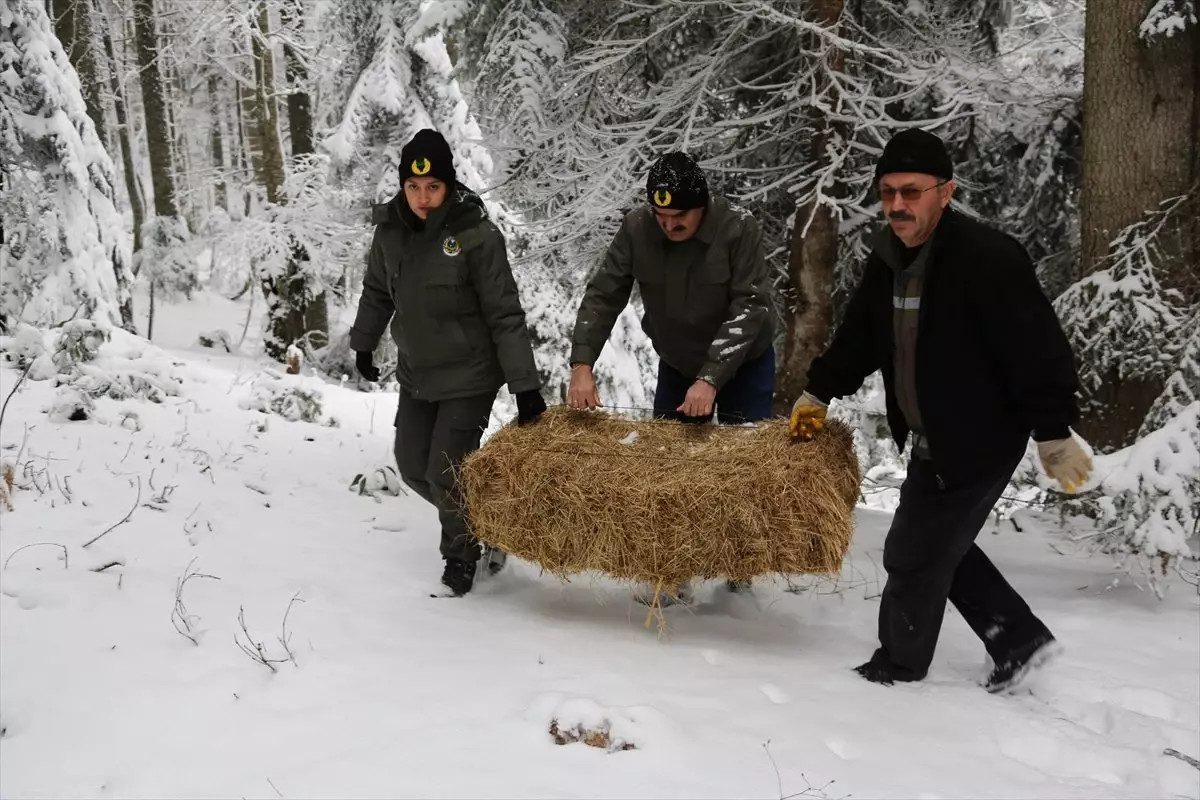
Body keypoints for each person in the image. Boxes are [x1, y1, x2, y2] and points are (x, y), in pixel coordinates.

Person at [788, 129, 1094, 692]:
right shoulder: (888, 260)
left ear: (945, 192)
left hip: (981, 437)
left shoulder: (987, 260)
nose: (898, 205)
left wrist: (1053, 431)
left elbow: (1039, 349)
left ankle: (899, 667)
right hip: (934, 437)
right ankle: (1018, 640)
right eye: (887, 193)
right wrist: (817, 393)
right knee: (937, 545)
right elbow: (859, 339)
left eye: (912, 192)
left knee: (911, 551)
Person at [567, 151, 776, 601]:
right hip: (679, 361)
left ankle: (741, 572)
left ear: (701, 205)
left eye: (678, 216)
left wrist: (712, 378)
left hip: (743, 360)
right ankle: (671, 567)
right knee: (667, 468)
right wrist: (582, 364)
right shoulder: (638, 229)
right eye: (660, 215)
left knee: (744, 466)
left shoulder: (738, 228)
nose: (668, 224)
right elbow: (604, 293)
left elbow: (750, 307)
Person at [350, 129, 547, 597]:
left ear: (449, 186)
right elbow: (378, 291)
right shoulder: (390, 232)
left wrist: (524, 384)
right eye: (413, 187)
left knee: (446, 469)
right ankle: (486, 525)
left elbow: (504, 312)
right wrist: (364, 342)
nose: (422, 197)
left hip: (470, 374)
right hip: (418, 372)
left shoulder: (475, 236)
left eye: (433, 187)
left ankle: (461, 555)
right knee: (411, 464)